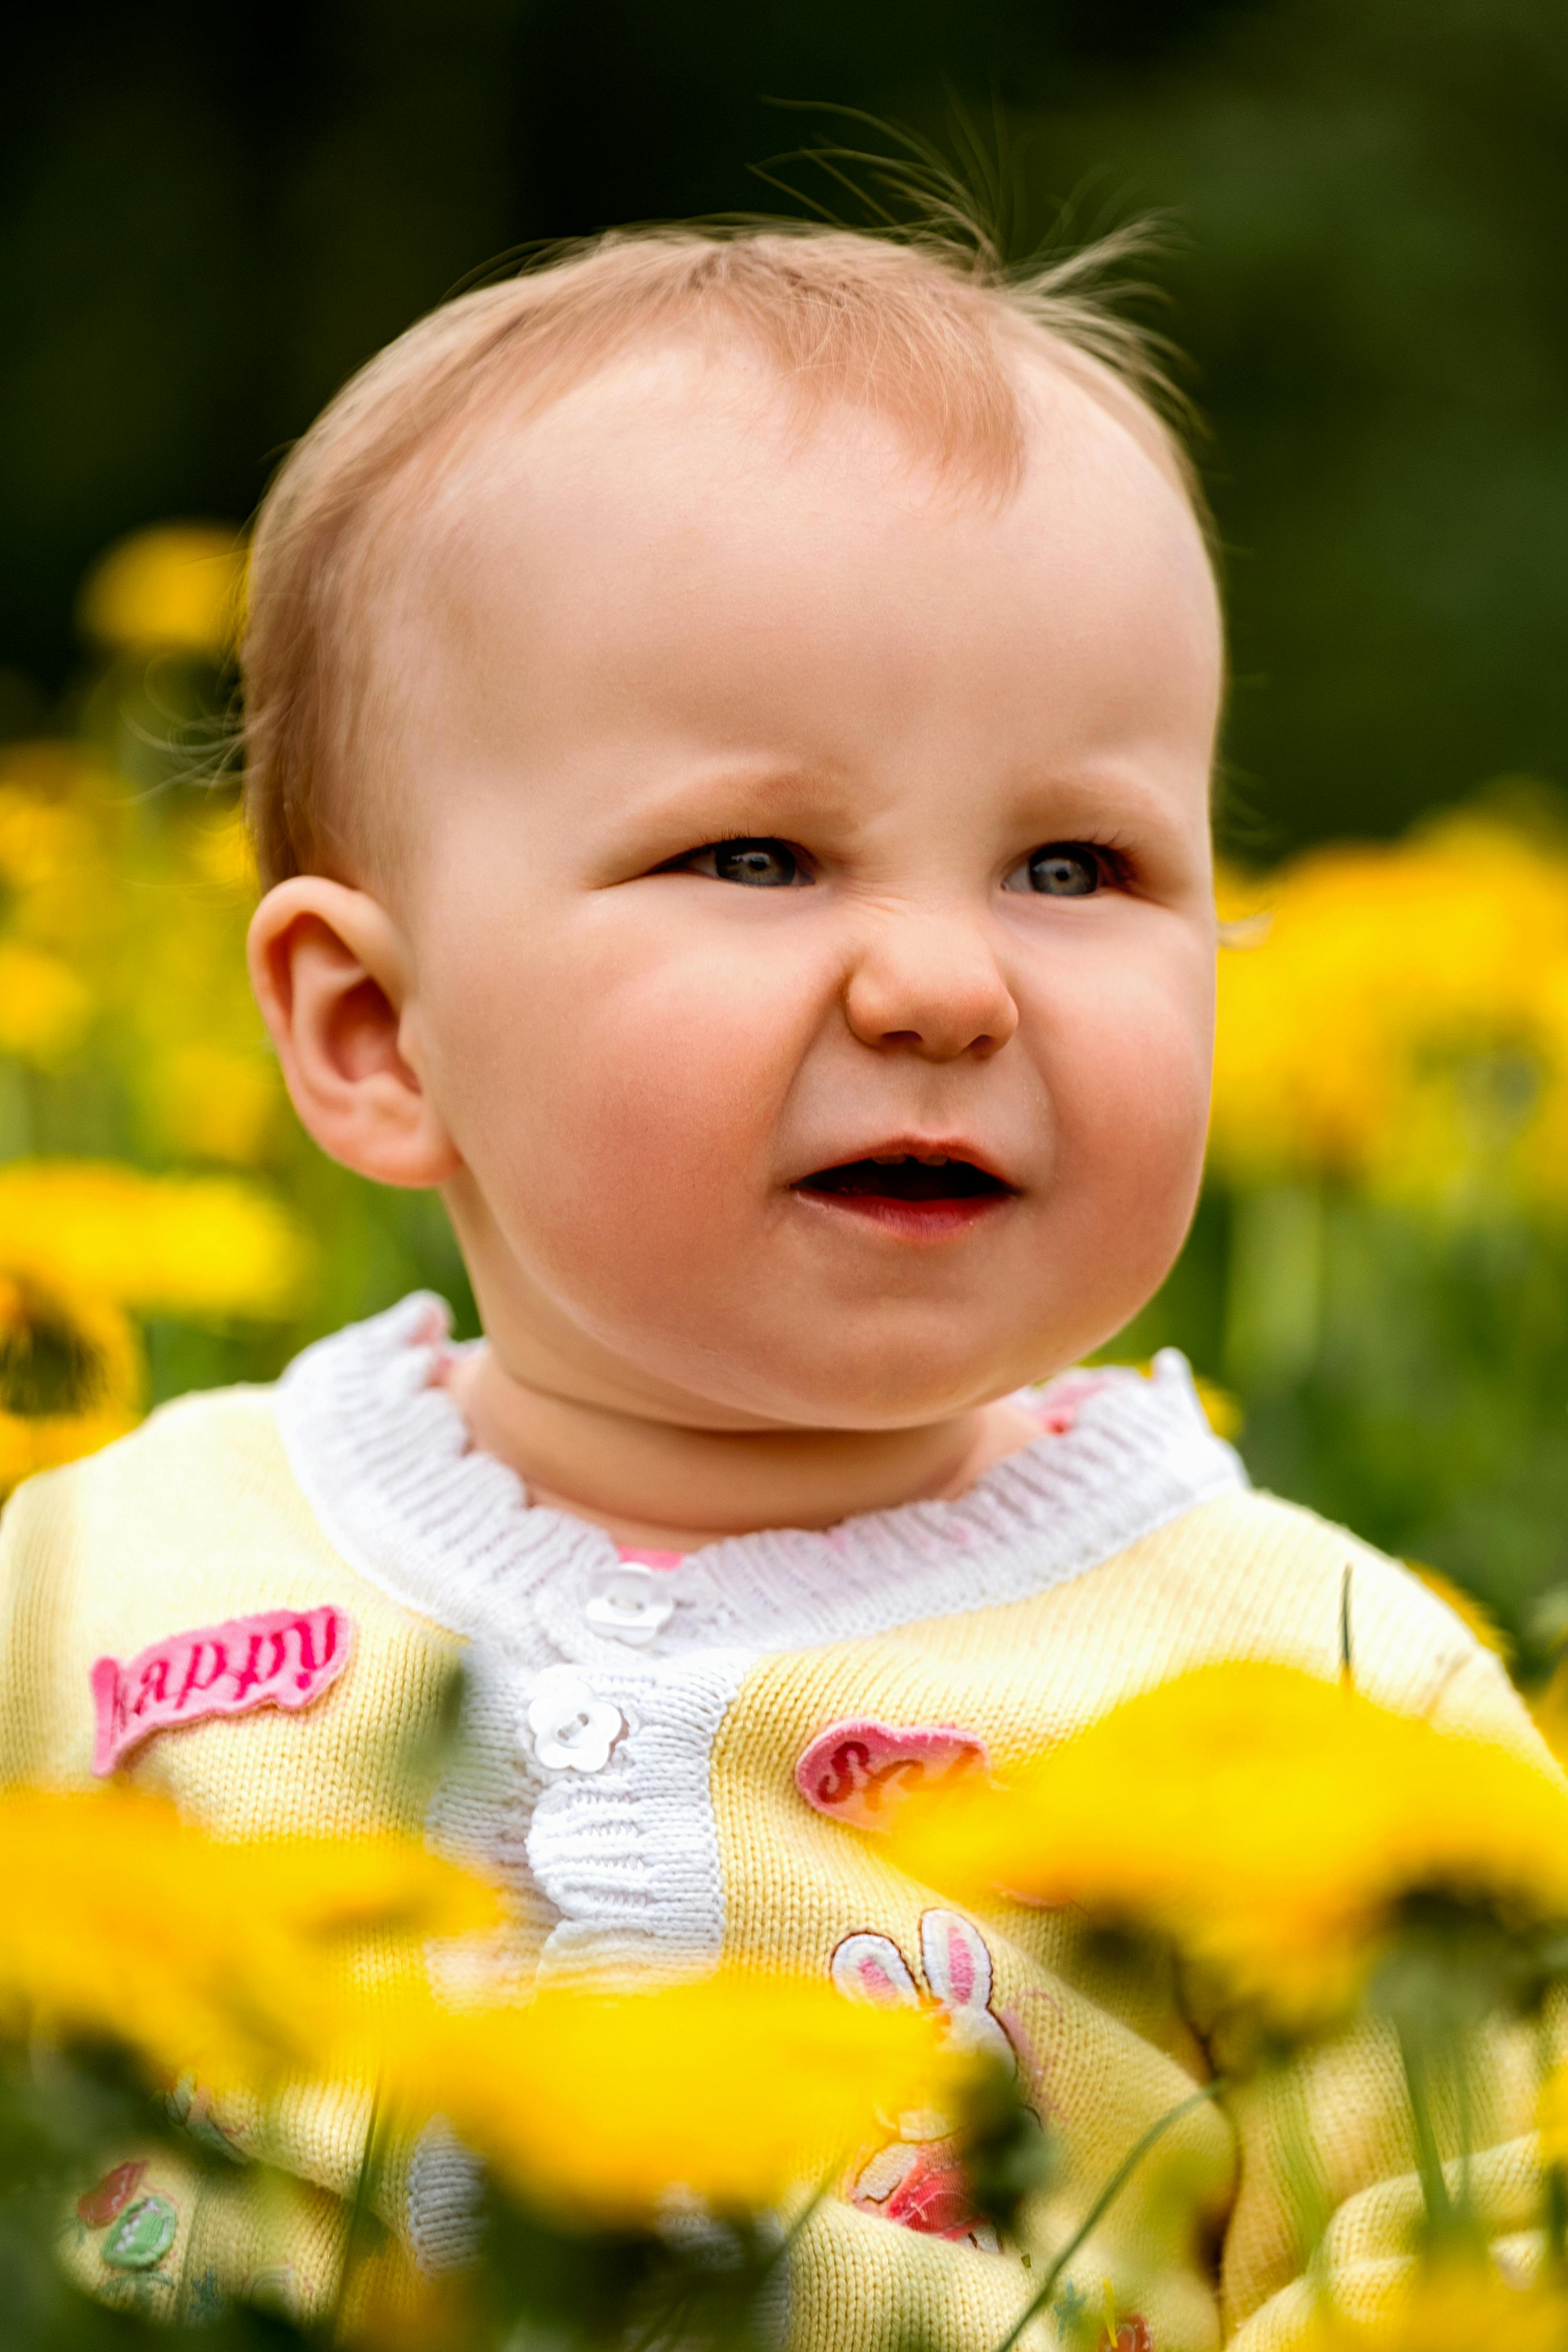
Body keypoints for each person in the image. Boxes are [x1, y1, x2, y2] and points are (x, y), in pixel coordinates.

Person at [1, 225, 1553, 2346]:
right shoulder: (89, 1589)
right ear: (377, 1032)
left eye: (1076, 865)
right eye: (757, 858)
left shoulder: (1329, 1707)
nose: (943, 982)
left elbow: (1470, 2255)